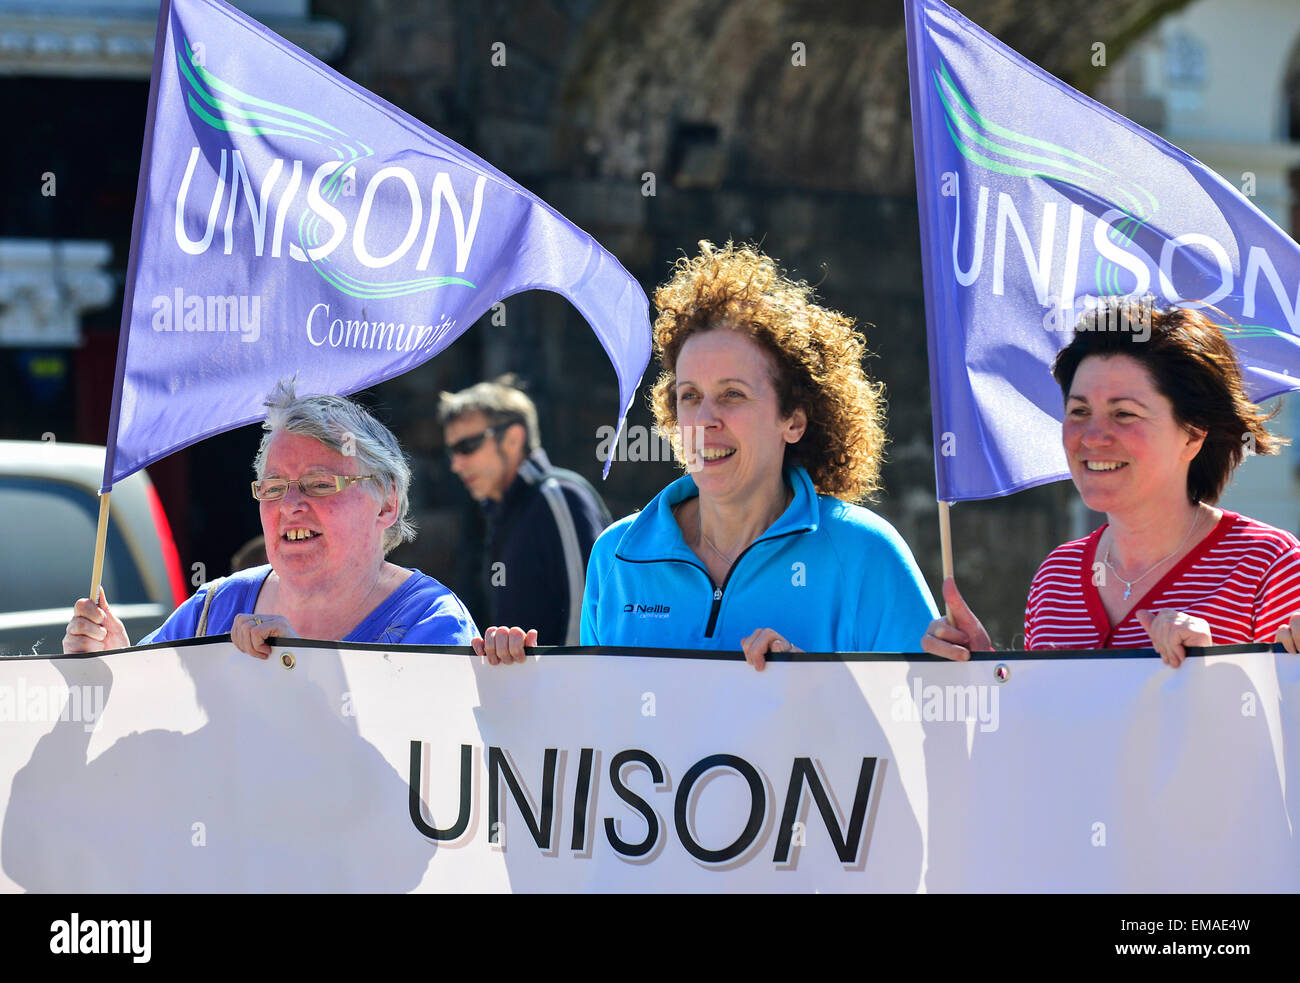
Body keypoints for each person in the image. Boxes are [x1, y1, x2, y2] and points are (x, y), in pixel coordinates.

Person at [476, 240, 939, 669]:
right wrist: (521, 688)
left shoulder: (867, 554)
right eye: (690, 395)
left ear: (793, 420)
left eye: (733, 395)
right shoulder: (615, 556)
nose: (704, 419)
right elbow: (594, 734)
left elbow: (934, 734)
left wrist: (816, 691)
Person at [921, 299, 1300, 666]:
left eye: (1123, 413)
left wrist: (1213, 668)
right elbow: (1047, 728)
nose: (1092, 437)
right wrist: (984, 674)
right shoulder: (1057, 577)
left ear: (1192, 436)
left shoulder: (1270, 565)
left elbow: (1283, 723)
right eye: (1079, 411)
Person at [63, 380, 478, 657]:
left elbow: (421, 774)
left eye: (319, 484)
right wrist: (115, 667)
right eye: (274, 487)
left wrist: (297, 671)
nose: (290, 504)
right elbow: (146, 734)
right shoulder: (215, 607)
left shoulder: (432, 622)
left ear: (386, 504)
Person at [438, 374, 610, 645]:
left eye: (467, 446)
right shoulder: (503, 510)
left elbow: (586, 614)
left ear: (513, 438)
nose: (456, 464)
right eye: (452, 451)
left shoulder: (557, 495)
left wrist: (567, 687)